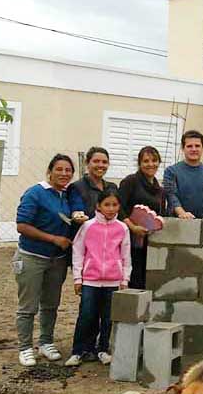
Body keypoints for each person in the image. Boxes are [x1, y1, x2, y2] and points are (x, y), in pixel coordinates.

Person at [14, 154, 78, 367]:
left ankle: (45, 342)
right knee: (28, 306)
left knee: (50, 304)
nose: (64, 173)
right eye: (59, 169)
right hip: (32, 257)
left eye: (68, 170)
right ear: (49, 171)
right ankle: (24, 347)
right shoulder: (36, 193)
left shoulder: (66, 195)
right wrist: (53, 238)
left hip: (56, 260)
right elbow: (22, 225)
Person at [65, 189, 131, 367]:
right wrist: (78, 278)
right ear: (98, 206)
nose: (110, 209)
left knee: (108, 317)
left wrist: (124, 280)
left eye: (114, 205)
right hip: (90, 281)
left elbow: (126, 255)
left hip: (113, 281)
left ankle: (103, 350)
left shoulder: (122, 228)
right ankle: (78, 351)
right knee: (86, 316)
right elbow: (78, 251)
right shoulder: (88, 226)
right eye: (107, 205)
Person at [118, 146, 166, 289]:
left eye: (154, 160)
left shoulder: (160, 189)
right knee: (133, 279)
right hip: (130, 239)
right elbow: (118, 207)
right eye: (146, 161)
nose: (150, 164)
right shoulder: (130, 181)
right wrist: (132, 227)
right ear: (139, 163)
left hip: (149, 242)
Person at [163, 130, 203, 219]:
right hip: (178, 223)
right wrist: (182, 214)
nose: (194, 149)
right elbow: (171, 196)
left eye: (197, 146)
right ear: (183, 148)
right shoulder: (171, 171)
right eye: (189, 146)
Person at [68, 147, 118, 218]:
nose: (100, 165)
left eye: (104, 162)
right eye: (96, 161)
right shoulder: (77, 187)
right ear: (87, 163)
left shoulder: (112, 187)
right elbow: (77, 210)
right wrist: (78, 216)